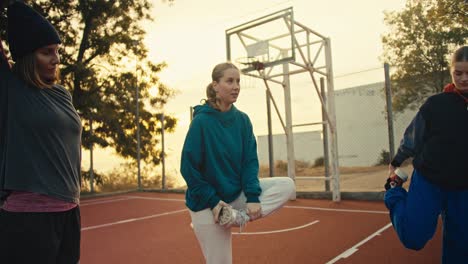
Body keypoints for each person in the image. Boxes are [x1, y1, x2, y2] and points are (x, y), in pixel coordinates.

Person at [180, 62, 296, 264]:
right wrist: (215, 203)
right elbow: (188, 169)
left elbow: (250, 162)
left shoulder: (243, 120)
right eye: (230, 81)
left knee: (287, 185)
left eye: (238, 81)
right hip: (207, 204)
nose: (236, 86)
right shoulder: (201, 122)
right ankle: (224, 216)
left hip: (235, 196)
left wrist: (252, 197)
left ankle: (237, 217)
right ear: (215, 85)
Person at [0, 1, 82, 263]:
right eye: (47, 52)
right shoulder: (11, 90)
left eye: (57, 51)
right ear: (27, 55)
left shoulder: (61, 94)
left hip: (69, 211)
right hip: (28, 217)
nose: (56, 59)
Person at [384, 46, 468, 264]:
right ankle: (393, 192)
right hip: (429, 180)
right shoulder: (436, 104)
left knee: (461, 251)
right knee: (413, 238)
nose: (463, 78)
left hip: (463, 187)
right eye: (458, 73)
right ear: (451, 72)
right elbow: (413, 137)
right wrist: (396, 161)